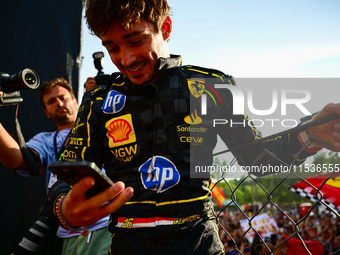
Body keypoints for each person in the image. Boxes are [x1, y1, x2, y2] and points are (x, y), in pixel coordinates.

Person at [49, 0, 340, 254]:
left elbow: (259, 160)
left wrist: (309, 133)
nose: (125, 59)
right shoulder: (99, 98)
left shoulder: (212, 84)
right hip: (127, 243)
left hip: (198, 243)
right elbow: (67, 171)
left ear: (165, 28)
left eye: (135, 40)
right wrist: (63, 208)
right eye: (111, 47)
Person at [0, 77, 132, 255]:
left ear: (76, 101)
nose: (59, 103)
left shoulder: (104, 124)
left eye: (63, 97)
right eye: (51, 101)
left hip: (111, 224)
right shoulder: (45, 140)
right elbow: (17, 159)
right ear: (46, 112)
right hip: (69, 232)